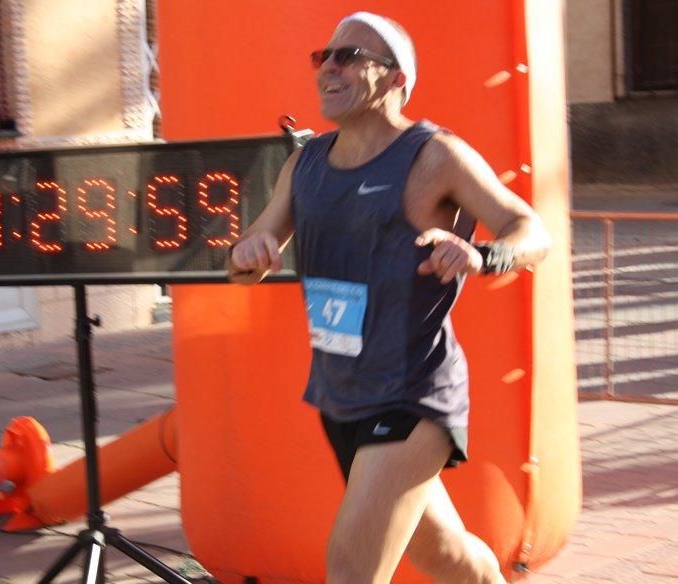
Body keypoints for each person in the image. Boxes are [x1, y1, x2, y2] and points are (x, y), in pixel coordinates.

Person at [228, 12, 551, 584]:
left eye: (349, 56)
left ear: (397, 77)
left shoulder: (435, 155)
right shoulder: (304, 164)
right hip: (340, 395)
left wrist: (483, 256)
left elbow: (531, 230)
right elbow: (247, 260)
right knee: (447, 556)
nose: (329, 66)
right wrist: (248, 253)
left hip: (413, 394)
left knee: (351, 568)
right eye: (323, 57)